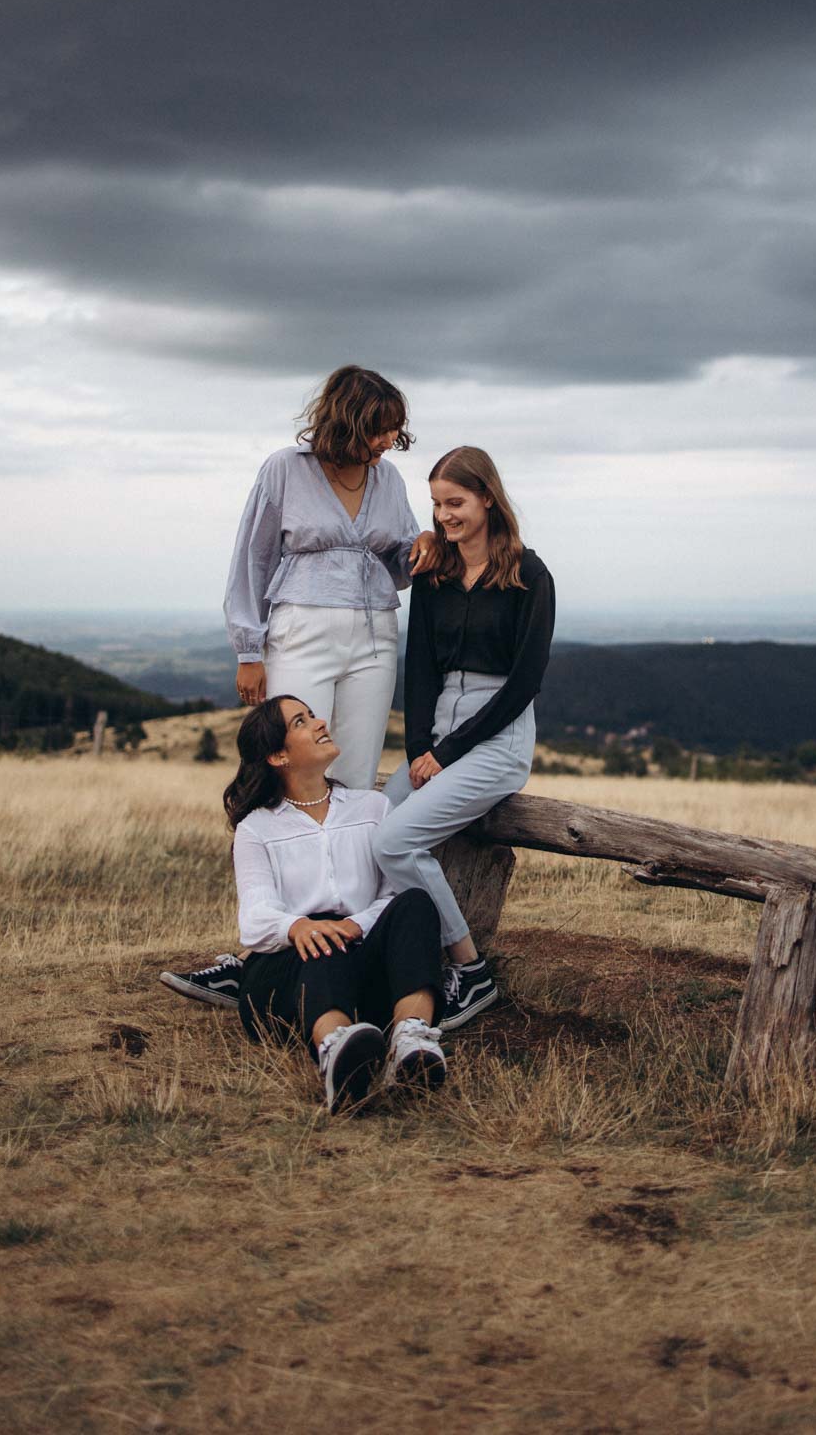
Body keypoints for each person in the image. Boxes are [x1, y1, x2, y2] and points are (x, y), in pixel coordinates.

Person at [160, 364, 434, 1009]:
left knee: (358, 785)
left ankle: (353, 938)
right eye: (382, 427)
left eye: (396, 429)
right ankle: (267, 948)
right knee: (288, 773)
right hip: (300, 630)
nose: (393, 439)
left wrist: (417, 546)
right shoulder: (284, 469)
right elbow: (252, 559)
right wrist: (249, 649)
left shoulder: (389, 478)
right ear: (351, 419)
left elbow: (395, 566)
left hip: (374, 638)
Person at [375, 446, 555, 1031]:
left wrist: (447, 755)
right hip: (436, 737)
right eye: (436, 504)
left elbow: (524, 684)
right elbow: (421, 667)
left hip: (496, 740)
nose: (445, 515)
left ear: (487, 498)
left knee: (394, 842)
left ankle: (470, 969)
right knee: (375, 823)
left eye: (455, 502)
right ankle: (386, 958)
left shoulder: (531, 575)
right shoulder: (436, 574)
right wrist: (418, 753)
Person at [229, 694, 447, 1113]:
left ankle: (411, 1041)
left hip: (362, 967)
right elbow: (254, 919)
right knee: (323, 932)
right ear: (277, 755)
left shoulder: (372, 807)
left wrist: (358, 924)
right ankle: (336, 1049)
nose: (319, 722)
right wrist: (298, 927)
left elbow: (393, 895)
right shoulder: (256, 829)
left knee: (417, 901)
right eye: (300, 722)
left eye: (311, 715)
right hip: (285, 979)